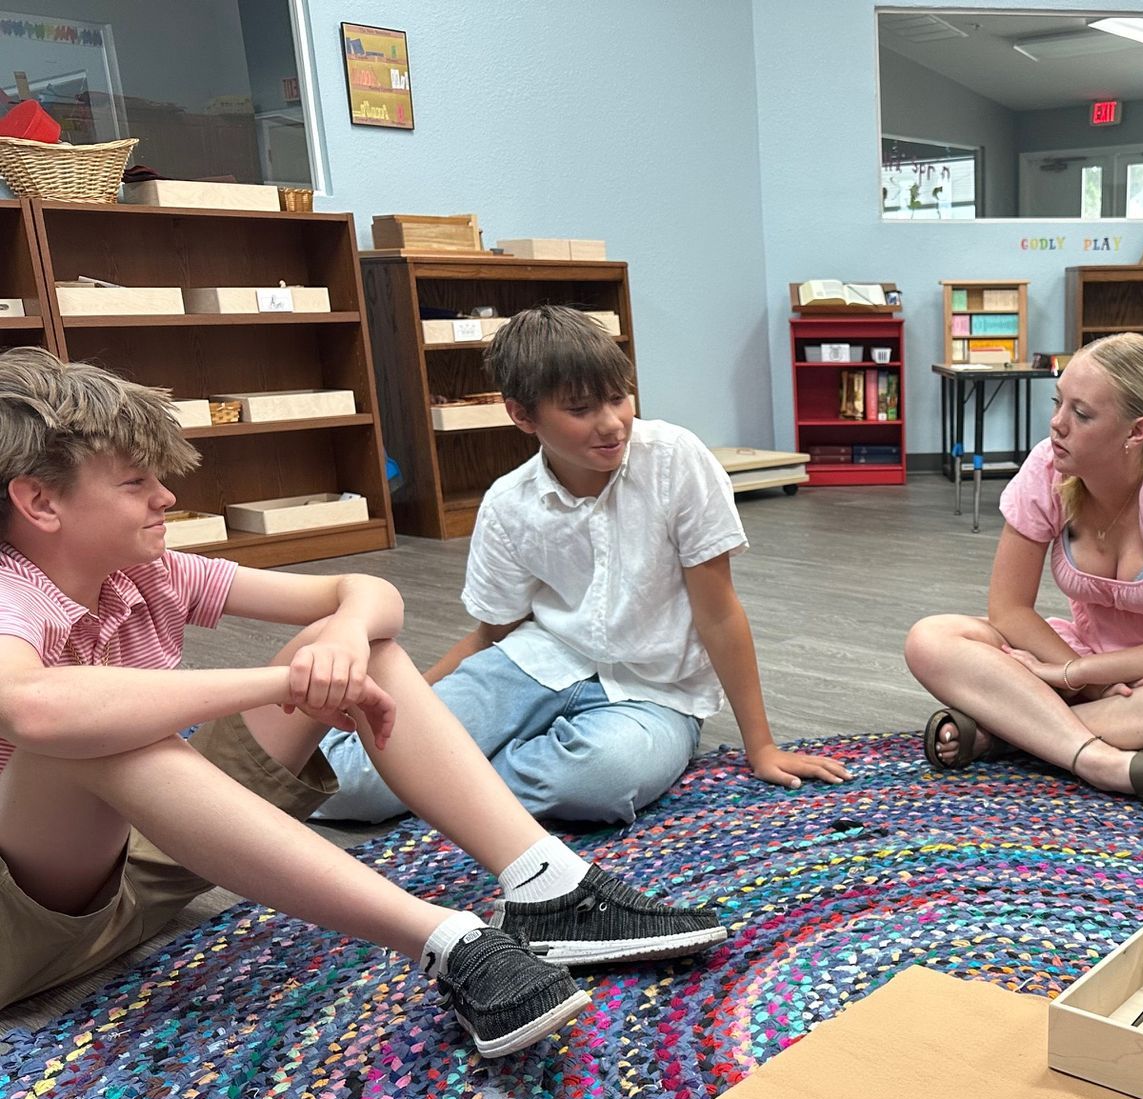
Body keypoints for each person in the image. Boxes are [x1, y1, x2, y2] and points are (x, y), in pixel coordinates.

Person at [0, 348, 724, 1057]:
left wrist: (342, 634)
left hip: (135, 865)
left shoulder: (152, 572)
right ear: (38, 501)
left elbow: (372, 596)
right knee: (96, 728)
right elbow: (36, 709)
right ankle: (449, 942)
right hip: (21, 930)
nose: (165, 497)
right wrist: (280, 683)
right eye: (135, 483)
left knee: (366, 648)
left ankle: (547, 884)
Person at [319, 306, 846, 827]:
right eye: (580, 409)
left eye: (619, 398)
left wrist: (762, 745)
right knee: (348, 788)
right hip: (531, 664)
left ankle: (442, 780)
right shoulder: (508, 503)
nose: (611, 424)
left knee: (596, 777)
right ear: (522, 416)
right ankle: (449, 774)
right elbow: (492, 634)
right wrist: (410, 700)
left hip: (655, 693)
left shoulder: (676, 460)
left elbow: (719, 613)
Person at [903, 332, 1143, 816]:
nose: (1056, 424)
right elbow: (1008, 608)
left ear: (1137, 431)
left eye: (1081, 414)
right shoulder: (1049, 464)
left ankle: (1007, 735)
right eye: (1058, 402)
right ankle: (1103, 761)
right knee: (932, 637)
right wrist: (1085, 679)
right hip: (1091, 666)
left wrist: (1074, 674)